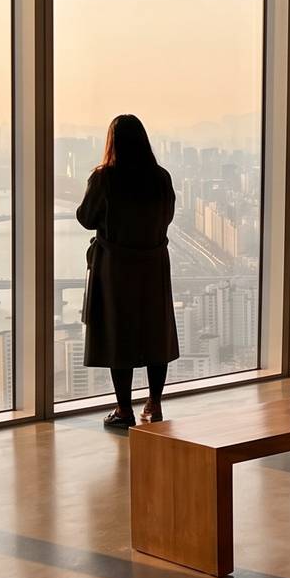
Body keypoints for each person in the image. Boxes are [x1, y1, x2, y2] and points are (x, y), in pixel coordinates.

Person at [75, 114, 179, 430]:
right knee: (154, 331)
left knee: (118, 334)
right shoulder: (161, 177)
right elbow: (169, 215)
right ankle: (155, 403)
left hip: (116, 268)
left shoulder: (104, 178)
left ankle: (124, 409)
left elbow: (86, 217)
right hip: (152, 264)